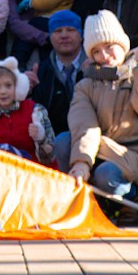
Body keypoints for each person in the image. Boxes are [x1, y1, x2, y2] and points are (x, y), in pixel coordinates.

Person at [67, 12, 138, 205]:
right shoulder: (85, 85)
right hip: (94, 149)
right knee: (63, 143)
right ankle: (77, 201)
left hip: (130, 156)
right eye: (96, 51)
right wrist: (81, 163)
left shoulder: (137, 73)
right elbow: (85, 126)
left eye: (109, 47)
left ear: (122, 45)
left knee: (106, 174)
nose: (103, 56)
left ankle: (131, 198)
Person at [28, 10, 90, 163]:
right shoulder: (40, 72)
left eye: (70, 30)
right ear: (50, 36)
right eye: (57, 31)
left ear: (81, 35)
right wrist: (26, 92)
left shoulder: (95, 67)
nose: (64, 35)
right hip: (51, 150)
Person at [0, 56, 57, 165]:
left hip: (37, 170)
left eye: (8, 85)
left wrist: (40, 138)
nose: (3, 91)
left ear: (17, 86)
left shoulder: (36, 111)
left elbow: (50, 159)